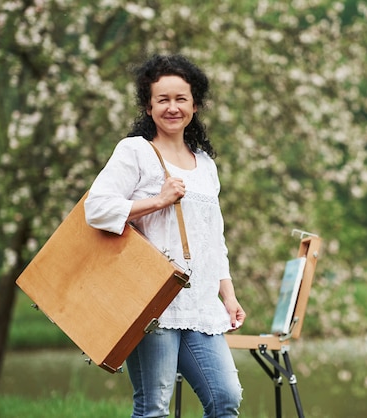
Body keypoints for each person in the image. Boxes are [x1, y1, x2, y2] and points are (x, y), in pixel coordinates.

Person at [84, 53, 245, 418]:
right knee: (154, 407)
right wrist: (158, 200)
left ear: (195, 104)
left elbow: (213, 237)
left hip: (201, 305)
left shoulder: (204, 163)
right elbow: (96, 209)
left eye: (181, 99)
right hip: (151, 300)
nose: (172, 108)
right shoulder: (135, 152)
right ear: (148, 105)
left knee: (226, 399)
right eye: (163, 100)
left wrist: (228, 296)